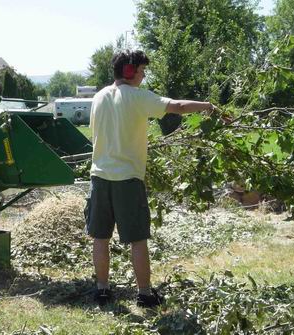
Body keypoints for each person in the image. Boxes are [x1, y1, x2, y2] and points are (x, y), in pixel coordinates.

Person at [85, 50, 215, 307]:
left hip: (99, 177)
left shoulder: (99, 97)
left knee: (100, 237)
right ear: (129, 71)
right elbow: (177, 106)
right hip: (128, 180)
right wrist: (208, 106)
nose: (143, 76)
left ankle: (102, 289)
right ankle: (145, 293)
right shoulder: (137, 97)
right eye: (142, 71)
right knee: (137, 239)